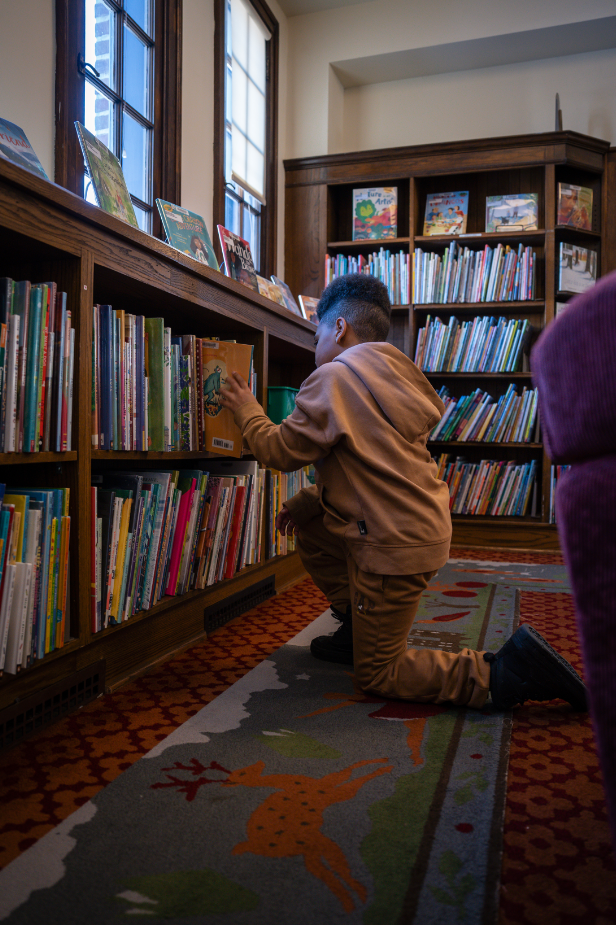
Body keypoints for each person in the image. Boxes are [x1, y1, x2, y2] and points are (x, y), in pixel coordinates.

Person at [219, 274, 587, 712]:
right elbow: (371, 467)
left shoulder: (333, 377)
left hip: (392, 544)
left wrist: (247, 410)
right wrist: (309, 501)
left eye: (315, 331)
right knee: (312, 527)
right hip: (420, 525)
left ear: (339, 329)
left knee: (380, 674)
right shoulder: (396, 372)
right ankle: (360, 626)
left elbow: (278, 451)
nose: (313, 343)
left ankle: (503, 672)